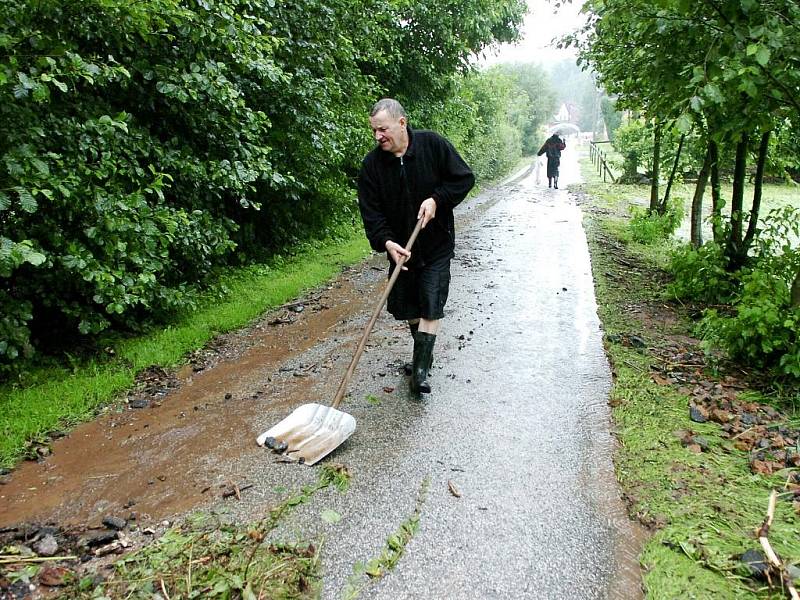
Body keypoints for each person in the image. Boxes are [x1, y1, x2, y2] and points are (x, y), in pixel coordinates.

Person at [358, 98, 475, 394]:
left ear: (401, 122)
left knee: (431, 302)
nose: (378, 136)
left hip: (436, 244)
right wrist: (387, 243)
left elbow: (463, 179)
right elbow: (372, 215)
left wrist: (437, 199)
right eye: (374, 131)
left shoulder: (432, 145)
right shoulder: (372, 166)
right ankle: (424, 352)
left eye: (382, 129)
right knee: (409, 307)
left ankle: (419, 374)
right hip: (401, 250)